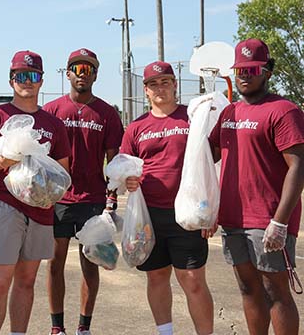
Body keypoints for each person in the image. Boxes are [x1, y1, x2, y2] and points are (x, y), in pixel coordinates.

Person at [0, 50, 71, 335]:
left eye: (33, 76)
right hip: (5, 205)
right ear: (12, 80)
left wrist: (44, 184)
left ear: (41, 81)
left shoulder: (53, 124)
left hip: (41, 209)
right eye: (21, 76)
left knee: (27, 281)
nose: (28, 81)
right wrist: (4, 161)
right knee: (0, 281)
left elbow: (63, 172)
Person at [209, 38, 304, 334]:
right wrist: (201, 114)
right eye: (240, 70)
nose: (245, 76)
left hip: (267, 220)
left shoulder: (283, 110)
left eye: (253, 69)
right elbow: (207, 155)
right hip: (233, 218)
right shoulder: (228, 113)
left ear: (267, 72)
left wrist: (280, 221)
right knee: (248, 290)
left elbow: (298, 167)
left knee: (275, 292)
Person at [120, 61, 215, 335]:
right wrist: (126, 179)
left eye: (164, 82)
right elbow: (125, 167)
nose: (159, 88)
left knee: (193, 280)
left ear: (175, 84)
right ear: (146, 90)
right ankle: (166, 332)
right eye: (153, 84)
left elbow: (212, 164)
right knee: (157, 276)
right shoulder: (136, 127)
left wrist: (211, 210)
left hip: (188, 213)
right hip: (149, 215)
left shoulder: (193, 118)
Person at [42, 48, 124, 335]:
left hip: (92, 199)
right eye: (78, 68)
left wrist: (112, 197)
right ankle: (57, 327)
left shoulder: (107, 113)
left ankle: (83, 327)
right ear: (68, 74)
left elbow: (114, 159)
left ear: (96, 74)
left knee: (91, 264)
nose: (83, 74)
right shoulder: (52, 110)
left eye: (88, 69)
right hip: (58, 198)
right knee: (55, 263)